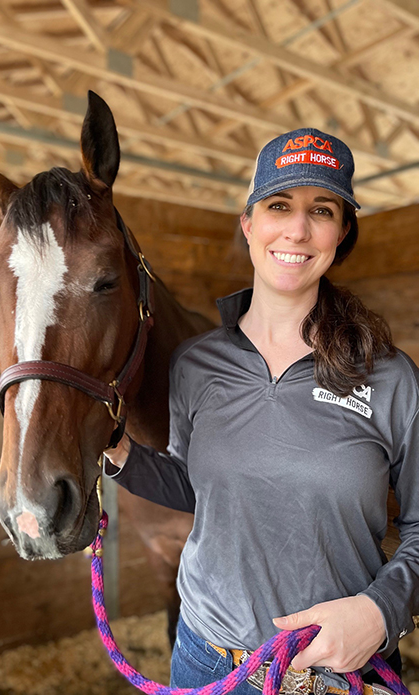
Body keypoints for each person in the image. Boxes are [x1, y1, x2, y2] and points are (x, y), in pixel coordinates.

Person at [103, 128, 418, 695]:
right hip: (204, 656)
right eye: (278, 205)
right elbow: (198, 487)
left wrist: (380, 612)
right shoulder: (195, 364)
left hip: (329, 676)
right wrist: (119, 453)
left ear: (341, 232)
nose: (296, 229)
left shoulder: (388, 376)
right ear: (249, 224)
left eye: (320, 209)